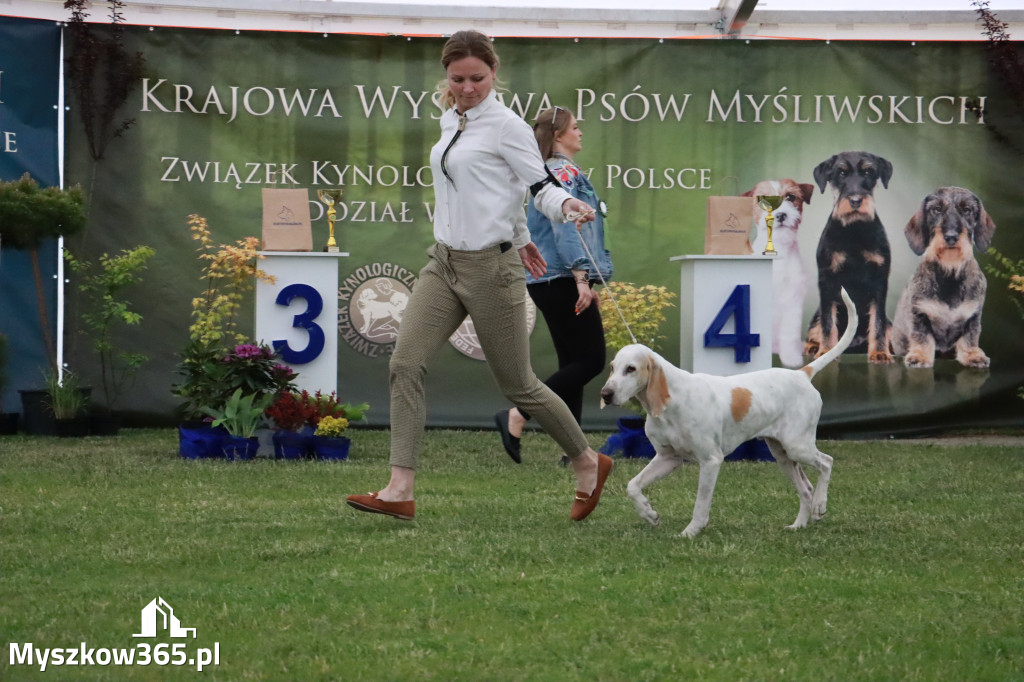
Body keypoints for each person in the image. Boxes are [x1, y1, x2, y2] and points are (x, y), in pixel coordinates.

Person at [345, 30, 613, 523]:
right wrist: (519, 233)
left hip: (493, 270)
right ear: (446, 76)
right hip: (444, 262)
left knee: (519, 385)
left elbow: (538, 185)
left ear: (493, 73)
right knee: (405, 364)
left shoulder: (507, 126)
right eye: (458, 78)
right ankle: (399, 488)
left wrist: (566, 205)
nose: (467, 87)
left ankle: (587, 461)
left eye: (478, 78)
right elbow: (489, 190)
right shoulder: (451, 120)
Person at [494, 106, 613, 465]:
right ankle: (517, 415)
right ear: (558, 134)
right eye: (575, 127)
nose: (581, 132)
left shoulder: (551, 171)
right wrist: (582, 276)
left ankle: (572, 451)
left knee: (572, 363)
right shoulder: (563, 173)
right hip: (562, 276)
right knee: (591, 360)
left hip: (546, 278)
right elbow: (567, 224)